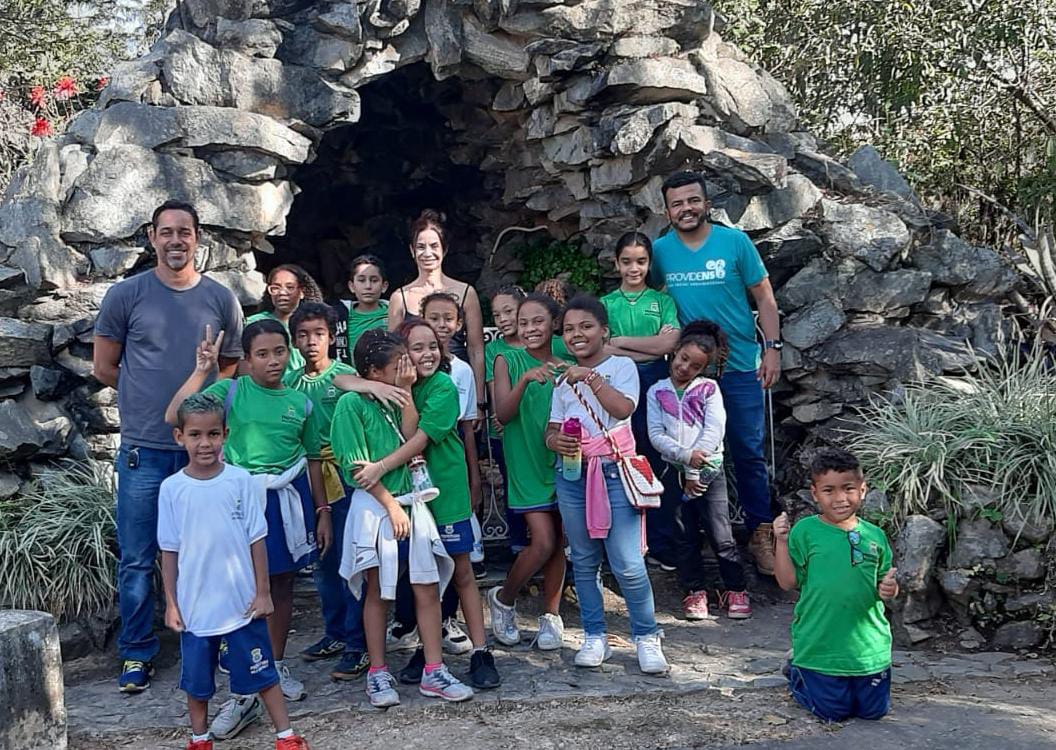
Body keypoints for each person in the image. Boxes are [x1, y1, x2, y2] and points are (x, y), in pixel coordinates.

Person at [93, 199, 244, 693]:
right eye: (166, 232)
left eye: (185, 232)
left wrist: (196, 412)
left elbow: (228, 367)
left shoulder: (222, 300)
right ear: (151, 238)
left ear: (199, 238)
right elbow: (104, 367)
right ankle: (137, 653)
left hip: (203, 451)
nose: (175, 241)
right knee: (138, 556)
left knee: (211, 549)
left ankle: (215, 640)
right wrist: (148, 402)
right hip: (145, 448)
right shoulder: (126, 295)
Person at [164, 320, 332, 739]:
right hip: (235, 498)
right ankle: (243, 692)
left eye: (279, 351)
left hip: (284, 501)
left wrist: (322, 508)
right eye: (262, 353)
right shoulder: (230, 390)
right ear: (246, 358)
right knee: (235, 588)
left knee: (280, 588)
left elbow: (312, 458)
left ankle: (271, 665)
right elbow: (174, 415)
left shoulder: (300, 402)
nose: (272, 361)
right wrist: (204, 369)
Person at [331, 329, 474, 707]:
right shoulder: (351, 405)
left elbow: (411, 437)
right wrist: (391, 506)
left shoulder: (402, 395)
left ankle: (434, 669)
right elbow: (356, 469)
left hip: (414, 505)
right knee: (378, 590)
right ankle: (378, 672)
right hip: (378, 508)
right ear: (375, 372)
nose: (408, 368)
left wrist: (407, 393)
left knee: (426, 586)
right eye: (400, 365)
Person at [158, 393, 310, 750]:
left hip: (242, 605)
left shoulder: (241, 481)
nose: (205, 443)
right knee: (197, 683)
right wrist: (171, 603)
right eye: (195, 435)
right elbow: (169, 551)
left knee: (263, 673)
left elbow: (257, 540)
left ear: (225, 434)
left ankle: (285, 736)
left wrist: (262, 592)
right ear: (179, 437)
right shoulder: (172, 489)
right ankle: (199, 739)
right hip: (195, 608)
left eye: (212, 434)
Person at [651, 170, 783, 576]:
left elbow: (764, 296)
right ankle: (687, 538)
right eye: (677, 203)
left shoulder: (735, 243)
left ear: (706, 203)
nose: (686, 209)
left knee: (747, 452)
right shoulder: (659, 252)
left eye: (693, 200)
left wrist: (773, 349)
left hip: (741, 364)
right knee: (682, 453)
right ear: (667, 209)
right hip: (688, 372)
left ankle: (760, 535)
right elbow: (652, 299)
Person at [358, 319, 501, 690]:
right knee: (423, 576)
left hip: (446, 490)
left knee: (462, 571)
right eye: (416, 348)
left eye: (432, 346)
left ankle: (480, 651)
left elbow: (416, 438)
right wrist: (391, 385)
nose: (427, 354)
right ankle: (428, 649)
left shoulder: (442, 387)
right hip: (409, 496)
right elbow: (343, 379)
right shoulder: (388, 385)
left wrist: (380, 468)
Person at [546, 294, 669, 674]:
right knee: (583, 560)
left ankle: (646, 636)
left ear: (604, 331)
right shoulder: (562, 380)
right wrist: (555, 440)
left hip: (615, 470)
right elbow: (552, 427)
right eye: (568, 329)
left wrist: (592, 378)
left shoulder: (621, 366)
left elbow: (623, 409)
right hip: (573, 473)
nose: (576, 335)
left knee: (628, 562)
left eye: (585, 326)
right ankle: (594, 635)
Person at [773, 448, 898, 723]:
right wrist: (780, 541)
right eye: (829, 490)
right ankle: (797, 671)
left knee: (874, 712)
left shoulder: (874, 535)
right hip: (820, 644)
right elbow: (787, 582)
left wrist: (889, 589)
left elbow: (883, 582)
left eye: (848, 488)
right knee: (834, 712)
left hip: (869, 647)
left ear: (863, 490)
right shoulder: (805, 531)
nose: (840, 498)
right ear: (815, 493)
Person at [282, 303, 369, 681]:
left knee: (353, 558)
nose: (310, 341)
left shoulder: (346, 375)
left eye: (318, 333)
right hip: (312, 477)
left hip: (348, 475)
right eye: (302, 335)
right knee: (324, 559)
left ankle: (358, 641)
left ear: (331, 337)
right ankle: (335, 632)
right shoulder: (292, 385)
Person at [646, 321, 751, 621]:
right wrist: (684, 457)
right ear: (674, 352)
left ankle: (736, 588)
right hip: (675, 471)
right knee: (684, 534)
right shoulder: (657, 392)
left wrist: (697, 465)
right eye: (682, 359)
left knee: (721, 533)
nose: (684, 368)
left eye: (694, 366)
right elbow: (656, 434)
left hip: (709, 473)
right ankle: (694, 591)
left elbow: (714, 430)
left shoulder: (709, 389)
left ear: (703, 369)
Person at [489, 293, 567, 652]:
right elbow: (502, 414)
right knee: (542, 541)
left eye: (537, 321)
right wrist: (524, 382)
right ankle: (504, 599)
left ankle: (551, 615)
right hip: (525, 461)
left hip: (565, 461)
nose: (530, 328)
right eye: (524, 323)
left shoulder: (567, 362)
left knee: (559, 543)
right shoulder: (508, 359)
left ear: (553, 323)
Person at [600, 232, 680, 568]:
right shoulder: (605, 304)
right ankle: (621, 543)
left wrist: (622, 342)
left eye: (642, 261)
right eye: (627, 261)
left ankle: (661, 541)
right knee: (619, 458)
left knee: (655, 459)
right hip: (617, 383)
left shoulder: (662, 302)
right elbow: (601, 349)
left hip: (655, 383)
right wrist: (644, 344)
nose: (635, 268)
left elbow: (668, 346)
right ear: (617, 263)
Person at [387, 209, 486, 409]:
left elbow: (476, 350)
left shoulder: (466, 292)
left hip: (459, 383)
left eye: (434, 246)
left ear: (444, 249)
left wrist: (479, 400)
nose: (427, 253)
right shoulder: (400, 298)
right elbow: (394, 351)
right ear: (412, 251)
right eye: (420, 247)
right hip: (417, 389)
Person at [483, 285, 529, 554]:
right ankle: (518, 542)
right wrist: (498, 413)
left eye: (508, 311)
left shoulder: (539, 341)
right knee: (513, 482)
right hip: (504, 429)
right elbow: (493, 385)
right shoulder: (494, 349)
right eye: (496, 314)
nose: (502, 319)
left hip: (534, 429)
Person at [248, 264, 325, 376]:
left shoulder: (313, 324)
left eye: (290, 287)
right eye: (275, 288)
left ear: (302, 292)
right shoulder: (254, 323)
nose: (282, 293)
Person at [343, 254, 390, 360]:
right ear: (351, 286)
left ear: (384, 286)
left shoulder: (394, 312)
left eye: (374, 280)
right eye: (361, 280)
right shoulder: (341, 317)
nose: (368, 286)